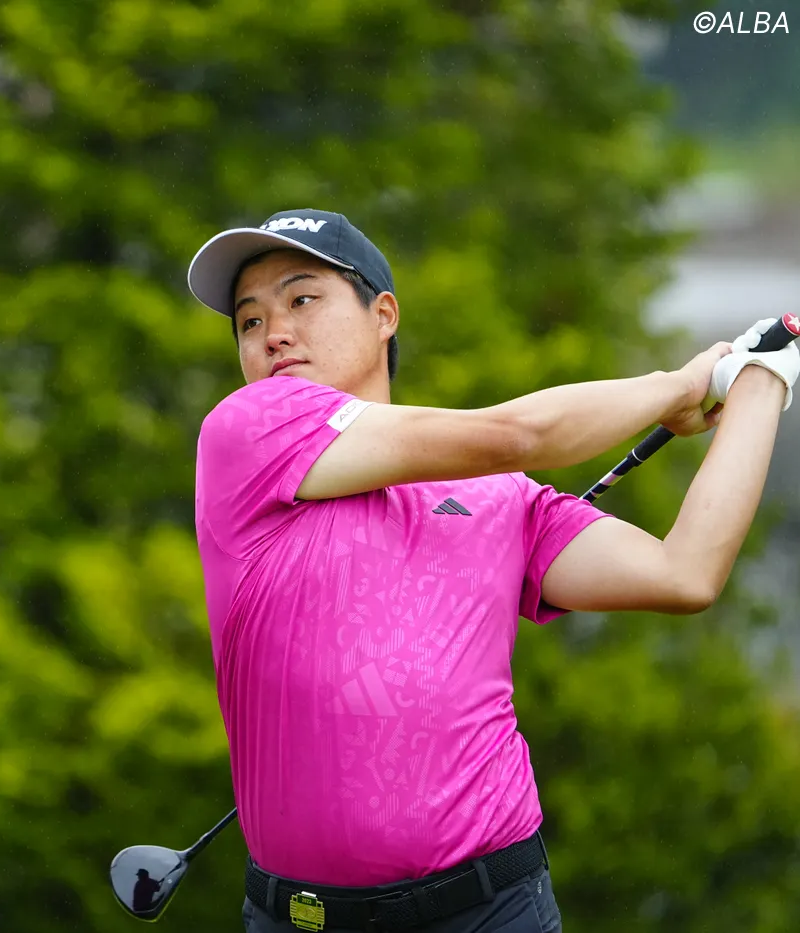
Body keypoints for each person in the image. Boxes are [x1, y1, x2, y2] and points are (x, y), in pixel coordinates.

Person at [185, 209, 799, 933]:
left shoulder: (502, 496)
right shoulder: (248, 430)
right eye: (250, 321)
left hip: (494, 907)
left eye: (302, 299)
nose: (274, 333)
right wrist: (678, 385)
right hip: (304, 918)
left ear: (384, 316)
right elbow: (520, 433)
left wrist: (761, 383)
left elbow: (683, 573)